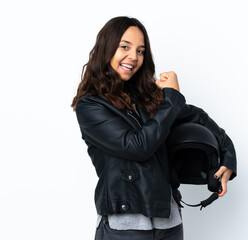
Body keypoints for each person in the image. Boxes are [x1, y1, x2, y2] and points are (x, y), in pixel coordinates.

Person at [71, 16, 237, 240]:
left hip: (169, 223)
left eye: (140, 51)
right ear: (106, 48)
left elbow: (197, 117)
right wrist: (171, 97)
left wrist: (228, 156)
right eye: (124, 47)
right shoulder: (90, 105)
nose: (133, 57)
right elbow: (138, 146)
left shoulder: (149, 98)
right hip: (124, 227)